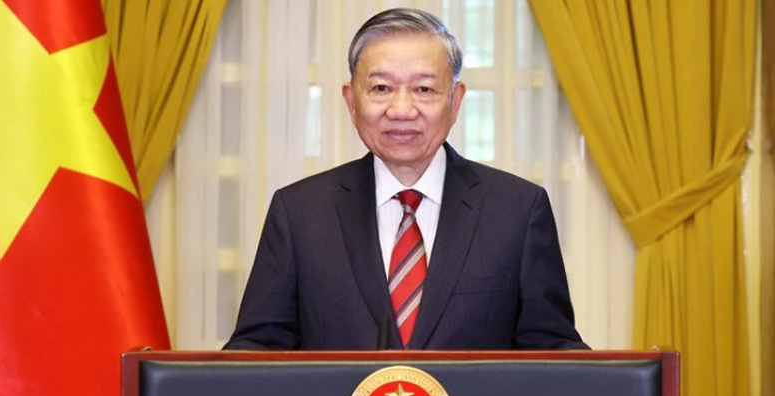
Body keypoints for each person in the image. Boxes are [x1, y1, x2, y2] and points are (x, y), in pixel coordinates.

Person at [224, 8, 587, 350]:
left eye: (424, 89)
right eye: (381, 88)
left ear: (456, 101)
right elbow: (257, 351)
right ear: (351, 102)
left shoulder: (518, 210)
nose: (401, 110)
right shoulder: (299, 212)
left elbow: (555, 353)